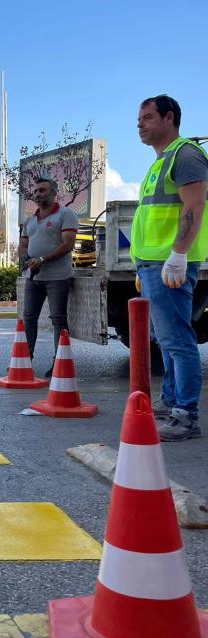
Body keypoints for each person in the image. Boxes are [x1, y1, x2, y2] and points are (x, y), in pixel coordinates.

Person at [133, 94, 208, 442]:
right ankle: (171, 401)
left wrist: (178, 255)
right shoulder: (161, 161)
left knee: (177, 340)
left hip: (170, 264)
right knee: (166, 341)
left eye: (148, 117)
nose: (140, 124)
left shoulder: (186, 154)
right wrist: (142, 265)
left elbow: (194, 206)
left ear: (169, 118)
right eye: (139, 119)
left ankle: (186, 416)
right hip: (154, 265)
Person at [19, 177, 79, 377]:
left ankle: (60, 363)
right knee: (29, 318)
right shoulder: (30, 220)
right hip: (33, 278)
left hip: (58, 277)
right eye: (36, 191)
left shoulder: (66, 214)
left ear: (54, 193)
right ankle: (24, 361)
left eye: (42, 190)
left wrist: (42, 259)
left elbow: (68, 244)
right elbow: (22, 246)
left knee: (58, 320)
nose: (37, 194)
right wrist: (26, 258)